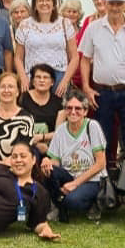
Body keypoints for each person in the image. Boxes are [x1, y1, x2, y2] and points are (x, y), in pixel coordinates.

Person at [79, 0, 125, 170]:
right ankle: (104, 178)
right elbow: (85, 59)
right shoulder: (94, 28)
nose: (115, 7)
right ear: (106, 3)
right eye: (111, 3)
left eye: (119, 3)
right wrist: (86, 87)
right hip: (103, 91)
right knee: (103, 136)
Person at [45, 92, 106, 220]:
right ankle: (58, 206)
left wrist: (75, 184)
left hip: (91, 179)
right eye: (69, 108)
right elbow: (55, 162)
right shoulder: (60, 130)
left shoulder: (92, 126)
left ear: (85, 111)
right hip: (69, 175)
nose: (73, 112)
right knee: (48, 170)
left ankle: (92, 204)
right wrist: (47, 163)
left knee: (73, 201)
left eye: (78, 108)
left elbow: (101, 164)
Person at [16, 0, 77, 95]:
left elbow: (75, 57)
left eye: (48, 0)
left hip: (58, 77)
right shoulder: (25, 25)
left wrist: (65, 81)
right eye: (40, 0)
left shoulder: (65, 24)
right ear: (34, 5)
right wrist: (23, 78)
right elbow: (18, 58)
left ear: (54, 4)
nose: (44, 3)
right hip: (33, 77)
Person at [20, 63, 63, 154]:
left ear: (52, 82)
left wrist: (41, 137)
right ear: (32, 81)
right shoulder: (22, 98)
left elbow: (59, 132)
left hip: (51, 145)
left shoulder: (59, 102)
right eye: (38, 77)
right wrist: (34, 143)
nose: (41, 80)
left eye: (45, 77)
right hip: (25, 143)